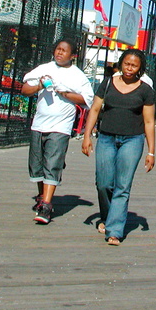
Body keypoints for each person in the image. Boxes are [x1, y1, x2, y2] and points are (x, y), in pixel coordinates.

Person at [81, 50, 156, 245]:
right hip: (106, 138)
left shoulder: (145, 90)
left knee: (122, 186)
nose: (129, 68)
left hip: (132, 140)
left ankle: (114, 230)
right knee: (104, 183)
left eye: (134, 65)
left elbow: (149, 122)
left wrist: (151, 151)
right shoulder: (106, 84)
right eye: (127, 64)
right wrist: (87, 136)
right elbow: (95, 110)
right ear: (121, 64)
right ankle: (107, 217)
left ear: (140, 68)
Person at [21, 39, 94, 225]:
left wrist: (66, 93)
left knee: (53, 163)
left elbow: (88, 100)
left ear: (73, 56)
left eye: (64, 51)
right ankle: (41, 195)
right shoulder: (44, 68)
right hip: (39, 124)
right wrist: (39, 85)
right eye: (57, 49)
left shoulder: (78, 76)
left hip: (60, 127)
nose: (60, 53)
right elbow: (24, 89)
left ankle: (46, 205)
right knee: (36, 166)